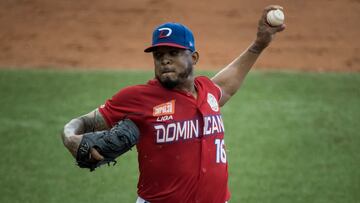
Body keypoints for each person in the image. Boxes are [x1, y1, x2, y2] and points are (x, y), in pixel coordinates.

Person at [61, 5, 285, 203]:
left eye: (173, 53)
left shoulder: (207, 91)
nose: (165, 59)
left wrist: (258, 45)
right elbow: (82, 122)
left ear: (194, 57)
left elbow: (227, 84)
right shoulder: (137, 97)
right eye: (158, 55)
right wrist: (70, 137)